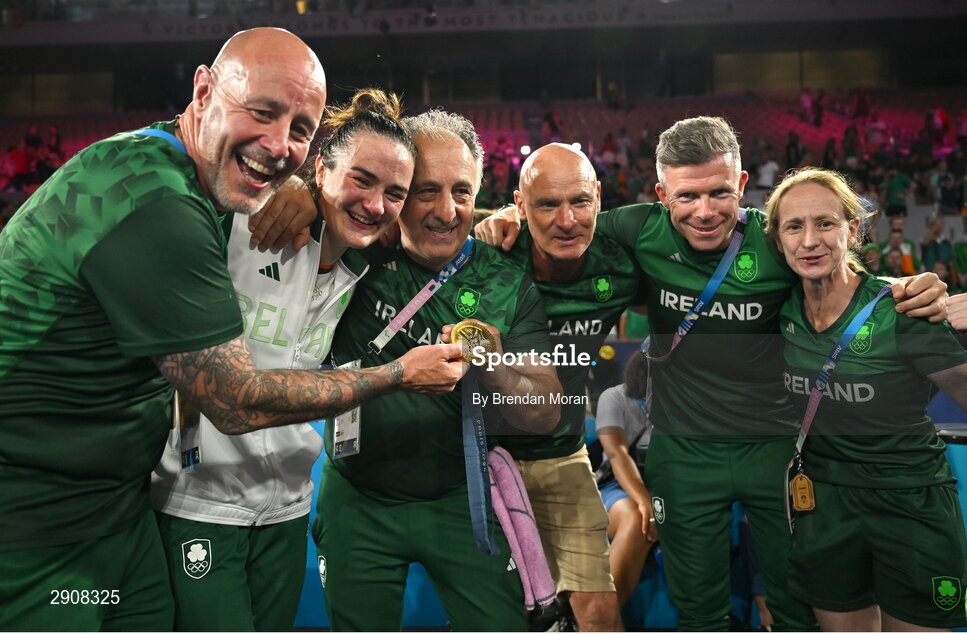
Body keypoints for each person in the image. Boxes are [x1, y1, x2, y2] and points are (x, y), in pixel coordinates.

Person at [0, 29, 464, 631]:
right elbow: (236, 402)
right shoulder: (181, 208)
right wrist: (399, 375)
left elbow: (438, 221)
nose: (278, 144)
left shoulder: (257, 205)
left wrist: (505, 216)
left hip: (122, 512)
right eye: (263, 112)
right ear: (203, 90)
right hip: (38, 519)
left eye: (299, 127)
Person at [474, 116, 948, 631]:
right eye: (686, 196)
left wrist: (906, 287)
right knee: (699, 610)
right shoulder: (635, 229)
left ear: (742, 186)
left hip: (774, 449)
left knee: (795, 603)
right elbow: (555, 216)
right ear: (661, 194)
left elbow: (841, 272)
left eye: (719, 192)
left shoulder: (775, 241)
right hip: (683, 453)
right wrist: (503, 215)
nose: (704, 212)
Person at [149, 88, 416, 631]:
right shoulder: (244, 222)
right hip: (196, 501)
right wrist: (281, 183)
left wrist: (500, 217)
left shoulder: (365, 267)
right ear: (319, 169)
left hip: (288, 509)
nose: (375, 204)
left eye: (395, 193)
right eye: (361, 180)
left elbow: (449, 224)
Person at [313, 109, 562, 632]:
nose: (447, 212)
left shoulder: (505, 280)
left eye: (463, 191)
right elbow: (319, 192)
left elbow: (545, 413)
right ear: (398, 192)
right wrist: (298, 199)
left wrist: (493, 366)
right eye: (425, 191)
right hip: (357, 500)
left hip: (460, 498)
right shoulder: (355, 248)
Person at [763, 167, 967, 631]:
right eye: (793, 226)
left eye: (824, 223)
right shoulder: (779, 308)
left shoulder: (902, 309)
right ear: (777, 239)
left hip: (910, 505)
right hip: (825, 504)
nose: (809, 241)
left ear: (853, 228)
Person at [490, 143, 641, 630]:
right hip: (483, 460)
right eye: (547, 204)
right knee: (497, 610)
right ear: (519, 205)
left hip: (563, 455)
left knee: (599, 611)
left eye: (578, 201)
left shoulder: (618, 267)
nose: (567, 220)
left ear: (599, 196)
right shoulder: (491, 257)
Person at [594, 351, 656, 608]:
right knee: (636, 518)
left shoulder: (688, 402)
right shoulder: (614, 397)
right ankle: (600, 618)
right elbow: (616, 452)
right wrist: (646, 501)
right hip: (615, 486)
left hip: (671, 488)